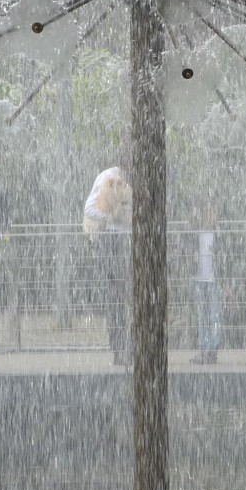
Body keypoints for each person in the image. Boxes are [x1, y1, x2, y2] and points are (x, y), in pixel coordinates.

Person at [85, 155, 133, 366]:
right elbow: (89, 209)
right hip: (113, 243)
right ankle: (119, 348)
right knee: (116, 298)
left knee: (132, 298)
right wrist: (111, 216)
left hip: (131, 241)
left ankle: (132, 347)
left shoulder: (139, 178)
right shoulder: (107, 177)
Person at [189, 199, 223, 364]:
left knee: (215, 316)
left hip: (215, 280)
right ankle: (204, 350)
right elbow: (188, 253)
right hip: (200, 279)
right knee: (203, 316)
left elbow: (226, 259)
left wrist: (228, 283)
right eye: (208, 212)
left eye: (213, 212)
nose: (211, 216)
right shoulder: (196, 233)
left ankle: (212, 351)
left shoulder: (220, 235)